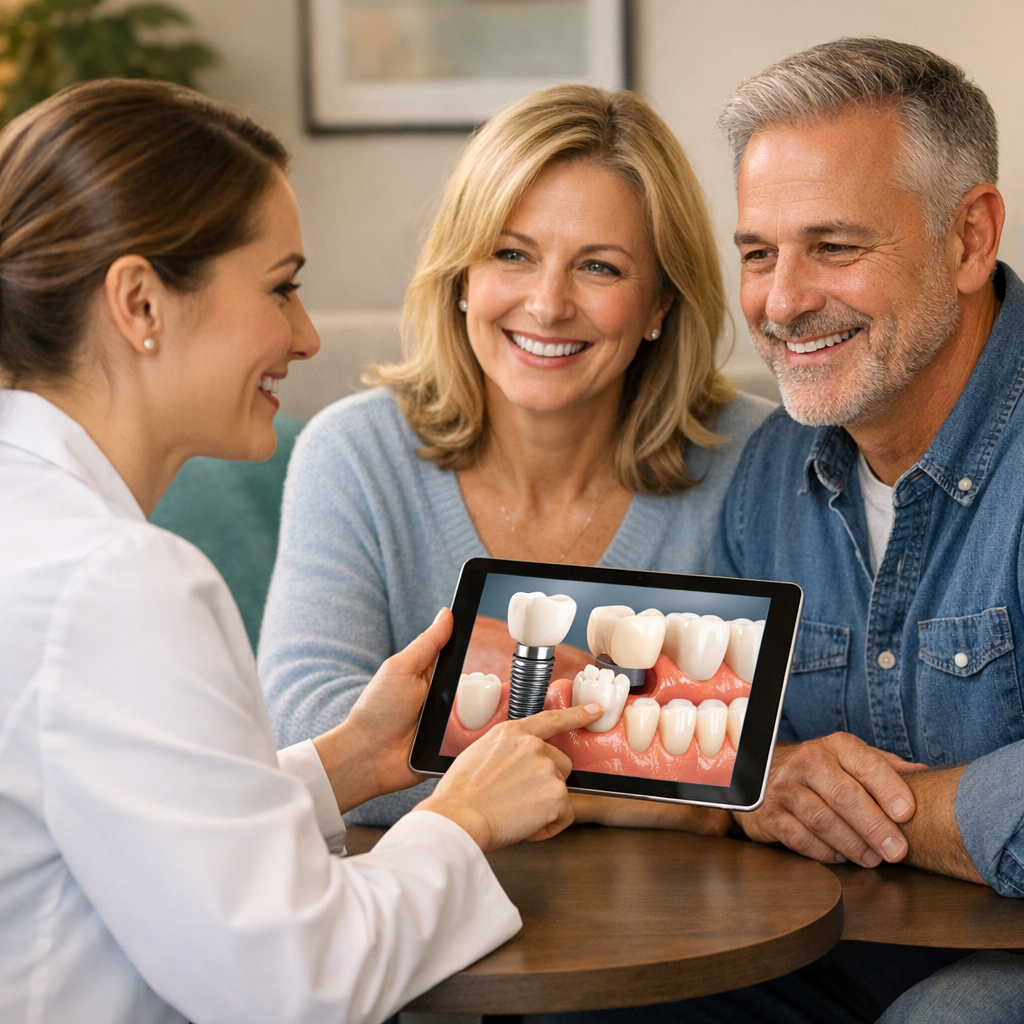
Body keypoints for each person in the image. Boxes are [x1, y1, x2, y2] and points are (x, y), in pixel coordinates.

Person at [0, 79, 609, 1024]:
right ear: (140, 303)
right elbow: (296, 983)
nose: (306, 333)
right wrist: (467, 816)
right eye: (281, 286)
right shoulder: (118, 582)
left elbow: (138, 823)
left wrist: (349, 761)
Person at [259, 84, 775, 829]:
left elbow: (796, 735)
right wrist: (659, 797)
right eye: (511, 254)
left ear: (661, 300)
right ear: (462, 277)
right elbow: (309, 734)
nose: (547, 304)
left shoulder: (760, 457)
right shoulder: (353, 453)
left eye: (599, 267)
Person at [717, 36, 1023, 1024]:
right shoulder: (765, 474)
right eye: (758, 254)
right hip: (837, 958)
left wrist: (910, 810)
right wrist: (757, 787)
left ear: (970, 238)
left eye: (834, 247)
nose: (782, 301)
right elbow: (725, 753)